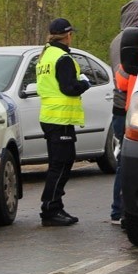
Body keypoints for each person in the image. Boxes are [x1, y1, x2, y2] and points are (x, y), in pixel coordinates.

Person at [36, 17, 91, 227]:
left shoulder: (45, 55)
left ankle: (53, 206)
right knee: (61, 165)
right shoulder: (63, 58)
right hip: (60, 118)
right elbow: (69, 88)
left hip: (50, 117)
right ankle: (51, 208)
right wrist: (84, 83)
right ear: (68, 35)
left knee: (59, 163)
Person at [108, 0, 138, 225]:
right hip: (125, 107)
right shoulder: (124, 41)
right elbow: (123, 76)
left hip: (134, 106)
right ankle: (120, 209)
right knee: (127, 161)